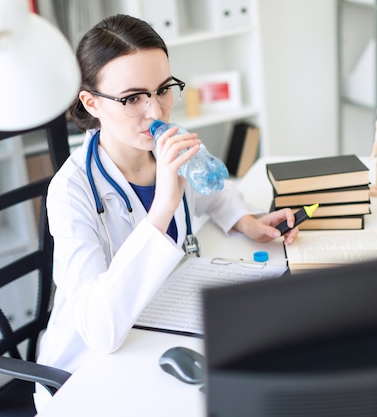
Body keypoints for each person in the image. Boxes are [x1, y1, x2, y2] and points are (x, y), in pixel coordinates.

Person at [37, 14, 298, 375]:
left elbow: (213, 192)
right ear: (92, 103)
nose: (156, 111)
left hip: (165, 328)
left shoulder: (164, 146)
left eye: (162, 89)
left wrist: (246, 221)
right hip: (91, 369)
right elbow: (100, 332)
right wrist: (162, 209)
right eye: (132, 99)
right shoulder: (71, 191)